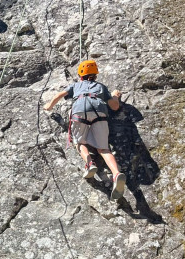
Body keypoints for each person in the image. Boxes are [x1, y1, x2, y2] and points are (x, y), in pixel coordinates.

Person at [43, 59, 127, 200]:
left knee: (80, 142)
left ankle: (89, 163)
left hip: (79, 112)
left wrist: (49, 106)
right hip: (99, 113)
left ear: (80, 75)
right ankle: (116, 173)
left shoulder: (76, 85)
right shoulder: (101, 87)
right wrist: (115, 96)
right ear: (95, 75)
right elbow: (114, 106)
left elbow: (59, 95)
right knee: (104, 149)